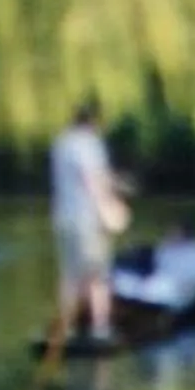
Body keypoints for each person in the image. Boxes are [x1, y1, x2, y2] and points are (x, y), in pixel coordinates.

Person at [49, 101, 124, 347]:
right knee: (98, 275)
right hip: (87, 220)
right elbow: (91, 179)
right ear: (93, 122)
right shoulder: (90, 144)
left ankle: (68, 327)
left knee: (70, 275)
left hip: (63, 219)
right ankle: (100, 329)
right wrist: (109, 210)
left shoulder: (61, 143)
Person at [114, 209, 195, 317]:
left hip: (171, 294)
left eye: (175, 230)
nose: (170, 233)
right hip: (155, 280)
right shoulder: (171, 248)